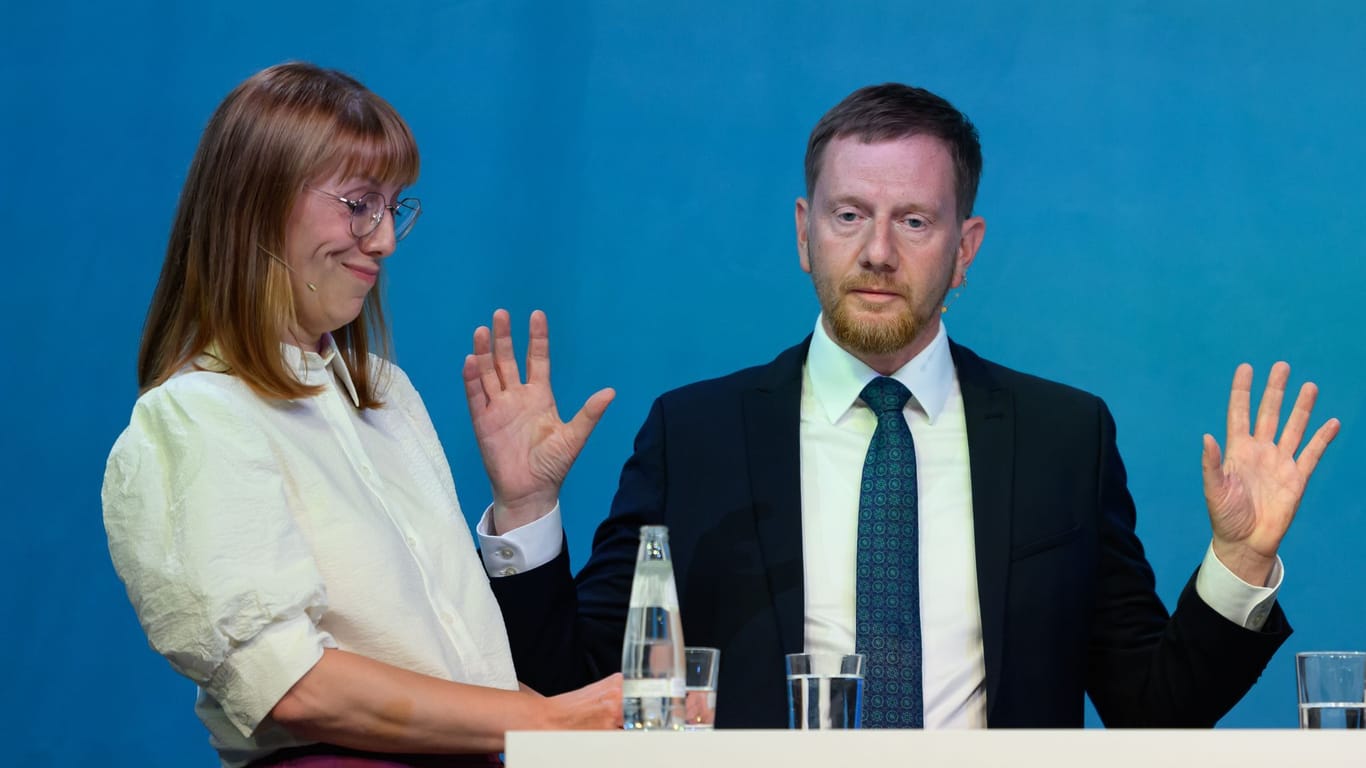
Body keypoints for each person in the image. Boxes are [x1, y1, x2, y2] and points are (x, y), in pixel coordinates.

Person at [467, 83, 1341, 728]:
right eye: (850, 215)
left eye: (914, 223)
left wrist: (1237, 561)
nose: (878, 251)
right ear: (804, 231)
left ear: (966, 250)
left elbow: (1155, 712)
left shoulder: (1062, 438)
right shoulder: (693, 433)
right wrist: (529, 511)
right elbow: (570, 691)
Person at [101, 62, 620, 768]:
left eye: (393, 207)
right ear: (258, 201)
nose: (384, 240)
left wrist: (523, 506)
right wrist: (550, 722)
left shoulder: (385, 395)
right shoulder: (194, 417)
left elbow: (455, 668)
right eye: (358, 204)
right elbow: (291, 685)